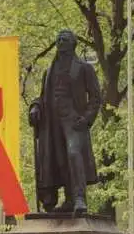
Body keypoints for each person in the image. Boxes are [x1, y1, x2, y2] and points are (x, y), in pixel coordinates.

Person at [29, 29, 101, 213]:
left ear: (73, 43)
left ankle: (79, 198)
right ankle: (67, 200)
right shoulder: (49, 71)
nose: (60, 41)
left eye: (64, 38)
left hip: (73, 121)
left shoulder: (84, 68)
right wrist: (35, 107)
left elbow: (95, 97)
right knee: (58, 160)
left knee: (73, 153)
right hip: (52, 123)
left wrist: (86, 119)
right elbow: (42, 97)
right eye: (58, 38)